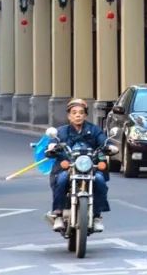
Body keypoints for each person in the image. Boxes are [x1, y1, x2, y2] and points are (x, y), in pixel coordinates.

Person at [45, 98, 117, 233]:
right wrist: (52, 147)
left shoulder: (94, 130)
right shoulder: (61, 132)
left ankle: (97, 216)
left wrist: (110, 147)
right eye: (74, 112)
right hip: (68, 167)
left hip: (90, 167)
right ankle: (58, 214)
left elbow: (103, 142)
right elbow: (52, 144)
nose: (77, 115)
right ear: (69, 115)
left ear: (85, 115)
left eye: (81, 112)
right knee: (61, 180)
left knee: (100, 180)